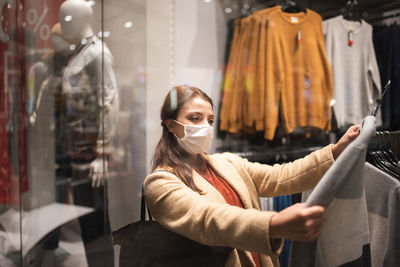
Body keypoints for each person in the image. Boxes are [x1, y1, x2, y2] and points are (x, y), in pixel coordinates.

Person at [144, 85, 360, 267]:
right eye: (194, 118)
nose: (205, 127)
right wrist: (273, 224)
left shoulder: (227, 162)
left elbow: (281, 176)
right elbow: (209, 218)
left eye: (210, 120)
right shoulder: (160, 182)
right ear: (171, 125)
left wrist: (334, 152)